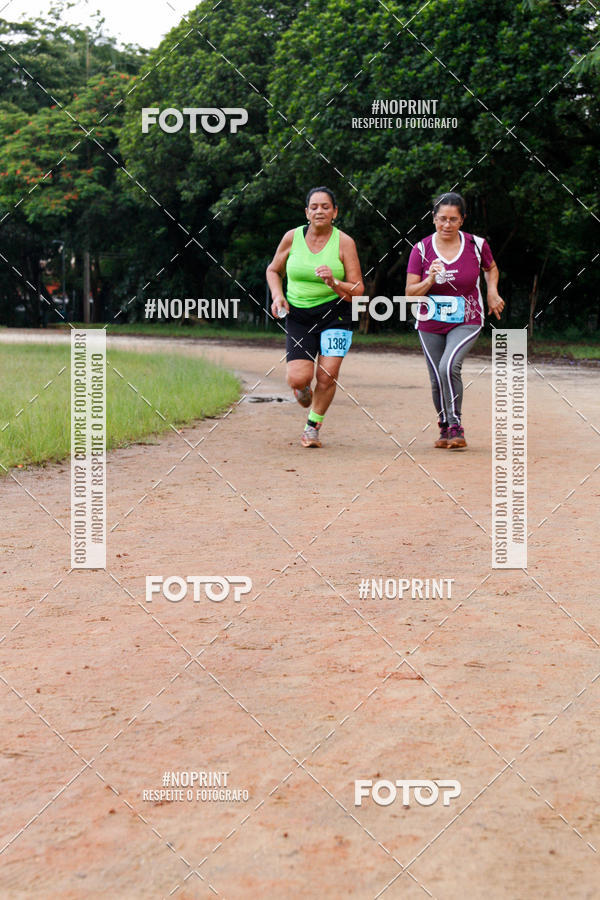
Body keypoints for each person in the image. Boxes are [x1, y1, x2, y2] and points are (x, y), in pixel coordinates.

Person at [266, 186, 364, 448]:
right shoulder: (292, 238)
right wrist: (278, 296)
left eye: (325, 207)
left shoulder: (344, 242)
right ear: (306, 212)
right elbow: (273, 270)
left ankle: (312, 427)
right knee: (298, 378)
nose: (319, 211)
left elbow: (358, 290)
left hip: (336, 313)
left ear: (335, 212)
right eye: (314, 207)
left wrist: (334, 283)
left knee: (327, 375)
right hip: (299, 315)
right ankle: (303, 389)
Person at [405, 191, 504, 449]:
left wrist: (492, 292)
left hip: (467, 317)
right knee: (436, 379)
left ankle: (456, 424)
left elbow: (490, 268)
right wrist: (429, 279)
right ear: (433, 219)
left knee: (448, 366)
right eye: (441, 219)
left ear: (462, 220)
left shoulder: (477, 245)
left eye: (453, 219)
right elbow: (409, 292)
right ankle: (444, 428)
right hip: (430, 321)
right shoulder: (421, 249)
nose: (446, 224)